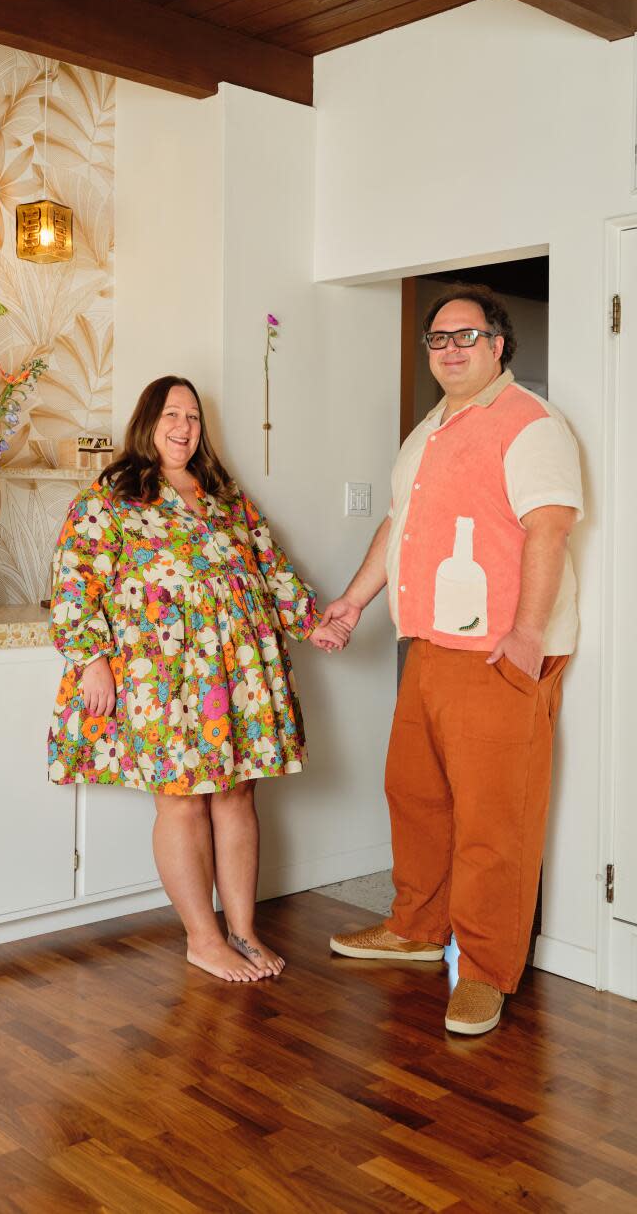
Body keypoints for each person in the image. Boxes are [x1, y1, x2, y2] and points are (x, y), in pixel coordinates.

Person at [318, 284, 583, 1035]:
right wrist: (354, 601)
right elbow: (401, 527)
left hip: (499, 653)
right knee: (417, 797)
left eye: (466, 335)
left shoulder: (530, 424)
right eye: (437, 339)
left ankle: (490, 971)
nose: (450, 349)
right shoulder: (431, 429)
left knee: (494, 820)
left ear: (499, 345)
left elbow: (549, 529)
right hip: (430, 645)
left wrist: (527, 634)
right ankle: (416, 928)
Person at [48, 376, 345, 983]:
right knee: (182, 801)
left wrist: (312, 622)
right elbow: (75, 583)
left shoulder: (224, 495)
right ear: (146, 422)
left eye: (192, 416)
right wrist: (92, 659)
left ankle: (242, 931)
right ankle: (201, 938)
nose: (183, 426)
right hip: (163, 673)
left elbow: (269, 563)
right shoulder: (111, 496)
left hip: (238, 668)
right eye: (170, 414)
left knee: (238, 794)